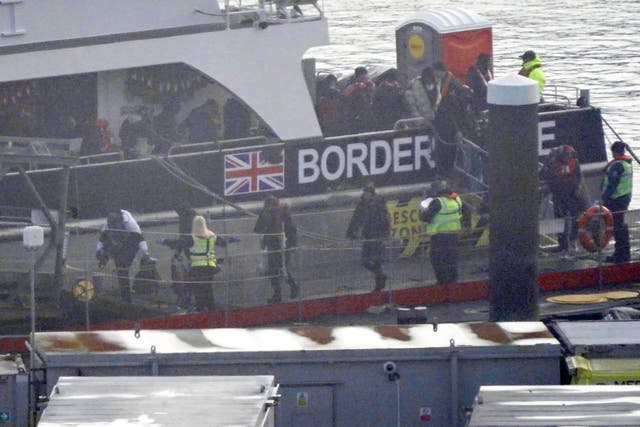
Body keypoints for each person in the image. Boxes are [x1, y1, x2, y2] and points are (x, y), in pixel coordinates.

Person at [540, 144, 589, 256]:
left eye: (569, 156)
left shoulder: (574, 162)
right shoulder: (552, 163)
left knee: (576, 217)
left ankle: (572, 241)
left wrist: (577, 190)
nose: (567, 159)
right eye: (565, 157)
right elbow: (543, 175)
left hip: (571, 194)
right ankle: (562, 244)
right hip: (559, 195)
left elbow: (579, 177)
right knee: (561, 219)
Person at [96, 209, 153, 302]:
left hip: (130, 241)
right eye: (111, 225)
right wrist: (99, 252)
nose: (112, 226)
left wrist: (146, 253)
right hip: (116, 241)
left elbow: (140, 239)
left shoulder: (131, 224)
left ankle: (126, 297)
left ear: (121, 222)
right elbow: (102, 239)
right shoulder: (107, 225)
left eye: (115, 225)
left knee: (122, 265)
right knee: (118, 264)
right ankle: (123, 291)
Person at [418, 181, 469, 284]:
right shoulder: (456, 199)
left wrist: (421, 209)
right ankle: (453, 282)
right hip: (454, 235)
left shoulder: (438, 202)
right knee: (452, 260)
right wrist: (468, 226)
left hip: (439, 236)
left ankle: (442, 282)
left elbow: (425, 217)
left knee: (437, 260)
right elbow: (467, 211)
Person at [254, 195, 299, 303]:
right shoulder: (265, 213)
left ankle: (291, 287)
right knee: (273, 270)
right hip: (273, 244)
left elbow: (291, 229)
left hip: (283, 244)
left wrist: (292, 245)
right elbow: (258, 229)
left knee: (282, 268)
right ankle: (279, 293)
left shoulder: (283, 213)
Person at [346, 183, 391, 291]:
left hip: (377, 236)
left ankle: (379, 284)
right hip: (367, 235)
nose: (365, 194)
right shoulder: (362, 204)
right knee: (365, 261)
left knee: (376, 260)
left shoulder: (379, 204)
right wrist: (351, 232)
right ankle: (380, 275)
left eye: (367, 192)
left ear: (371, 193)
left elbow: (386, 220)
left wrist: (385, 235)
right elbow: (355, 219)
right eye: (364, 192)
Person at [433, 62, 474, 176]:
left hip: (449, 128)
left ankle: (447, 175)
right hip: (448, 126)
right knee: (447, 153)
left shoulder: (452, 87)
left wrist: (457, 131)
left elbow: (453, 114)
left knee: (447, 153)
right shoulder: (449, 84)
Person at [157, 205, 197, 309]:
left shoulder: (187, 222)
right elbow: (183, 240)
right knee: (189, 278)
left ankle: (187, 300)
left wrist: (166, 242)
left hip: (194, 256)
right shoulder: (190, 221)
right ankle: (188, 299)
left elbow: (184, 240)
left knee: (189, 279)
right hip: (192, 256)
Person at [187, 215, 228, 311]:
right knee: (208, 288)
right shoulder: (212, 235)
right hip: (210, 266)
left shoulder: (192, 237)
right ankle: (211, 308)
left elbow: (179, 243)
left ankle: (200, 309)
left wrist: (165, 241)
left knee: (198, 291)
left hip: (197, 267)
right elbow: (223, 243)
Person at [602, 140, 633, 263]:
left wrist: (605, 198)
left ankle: (621, 255)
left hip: (616, 199)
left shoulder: (617, 165)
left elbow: (612, 185)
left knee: (617, 228)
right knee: (621, 226)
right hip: (625, 198)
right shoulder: (627, 164)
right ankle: (623, 253)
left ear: (614, 152)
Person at [342, 66, 376, 134]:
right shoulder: (351, 87)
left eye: (366, 75)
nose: (365, 77)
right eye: (363, 75)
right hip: (356, 118)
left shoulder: (370, 86)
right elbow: (346, 102)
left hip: (369, 117)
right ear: (358, 76)